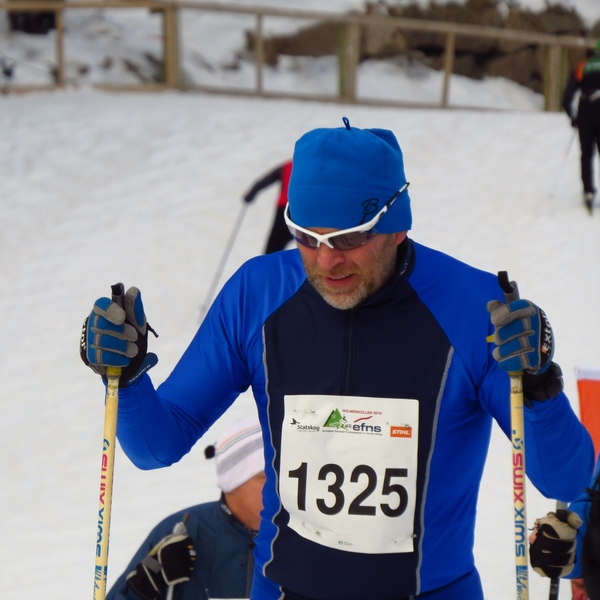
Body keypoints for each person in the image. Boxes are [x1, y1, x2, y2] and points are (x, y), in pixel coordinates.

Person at [81, 117, 594, 599]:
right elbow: (156, 446)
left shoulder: (473, 307)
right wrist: (126, 377)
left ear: (397, 225)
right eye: (307, 238)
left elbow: (566, 480)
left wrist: (539, 385)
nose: (327, 260)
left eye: (349, 238)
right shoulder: (257, 294)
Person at [106, 417, 265, 600]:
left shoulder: (294, 536)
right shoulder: (181, 530)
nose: (279, 488)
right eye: (265, 477)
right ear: (233, 482)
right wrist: (143, 587)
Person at [562, 40, 600, 213]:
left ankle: (588, 192)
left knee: (586, 155)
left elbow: (567, 99)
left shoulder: (582, 66)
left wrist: (574, 118)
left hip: (585, 114)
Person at [243, 160, 293, 254]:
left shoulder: (288, 166)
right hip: (306, 210)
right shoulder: (314, 166)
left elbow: (266, 180)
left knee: (273, 248)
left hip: (284, 210)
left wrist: (251, 193)